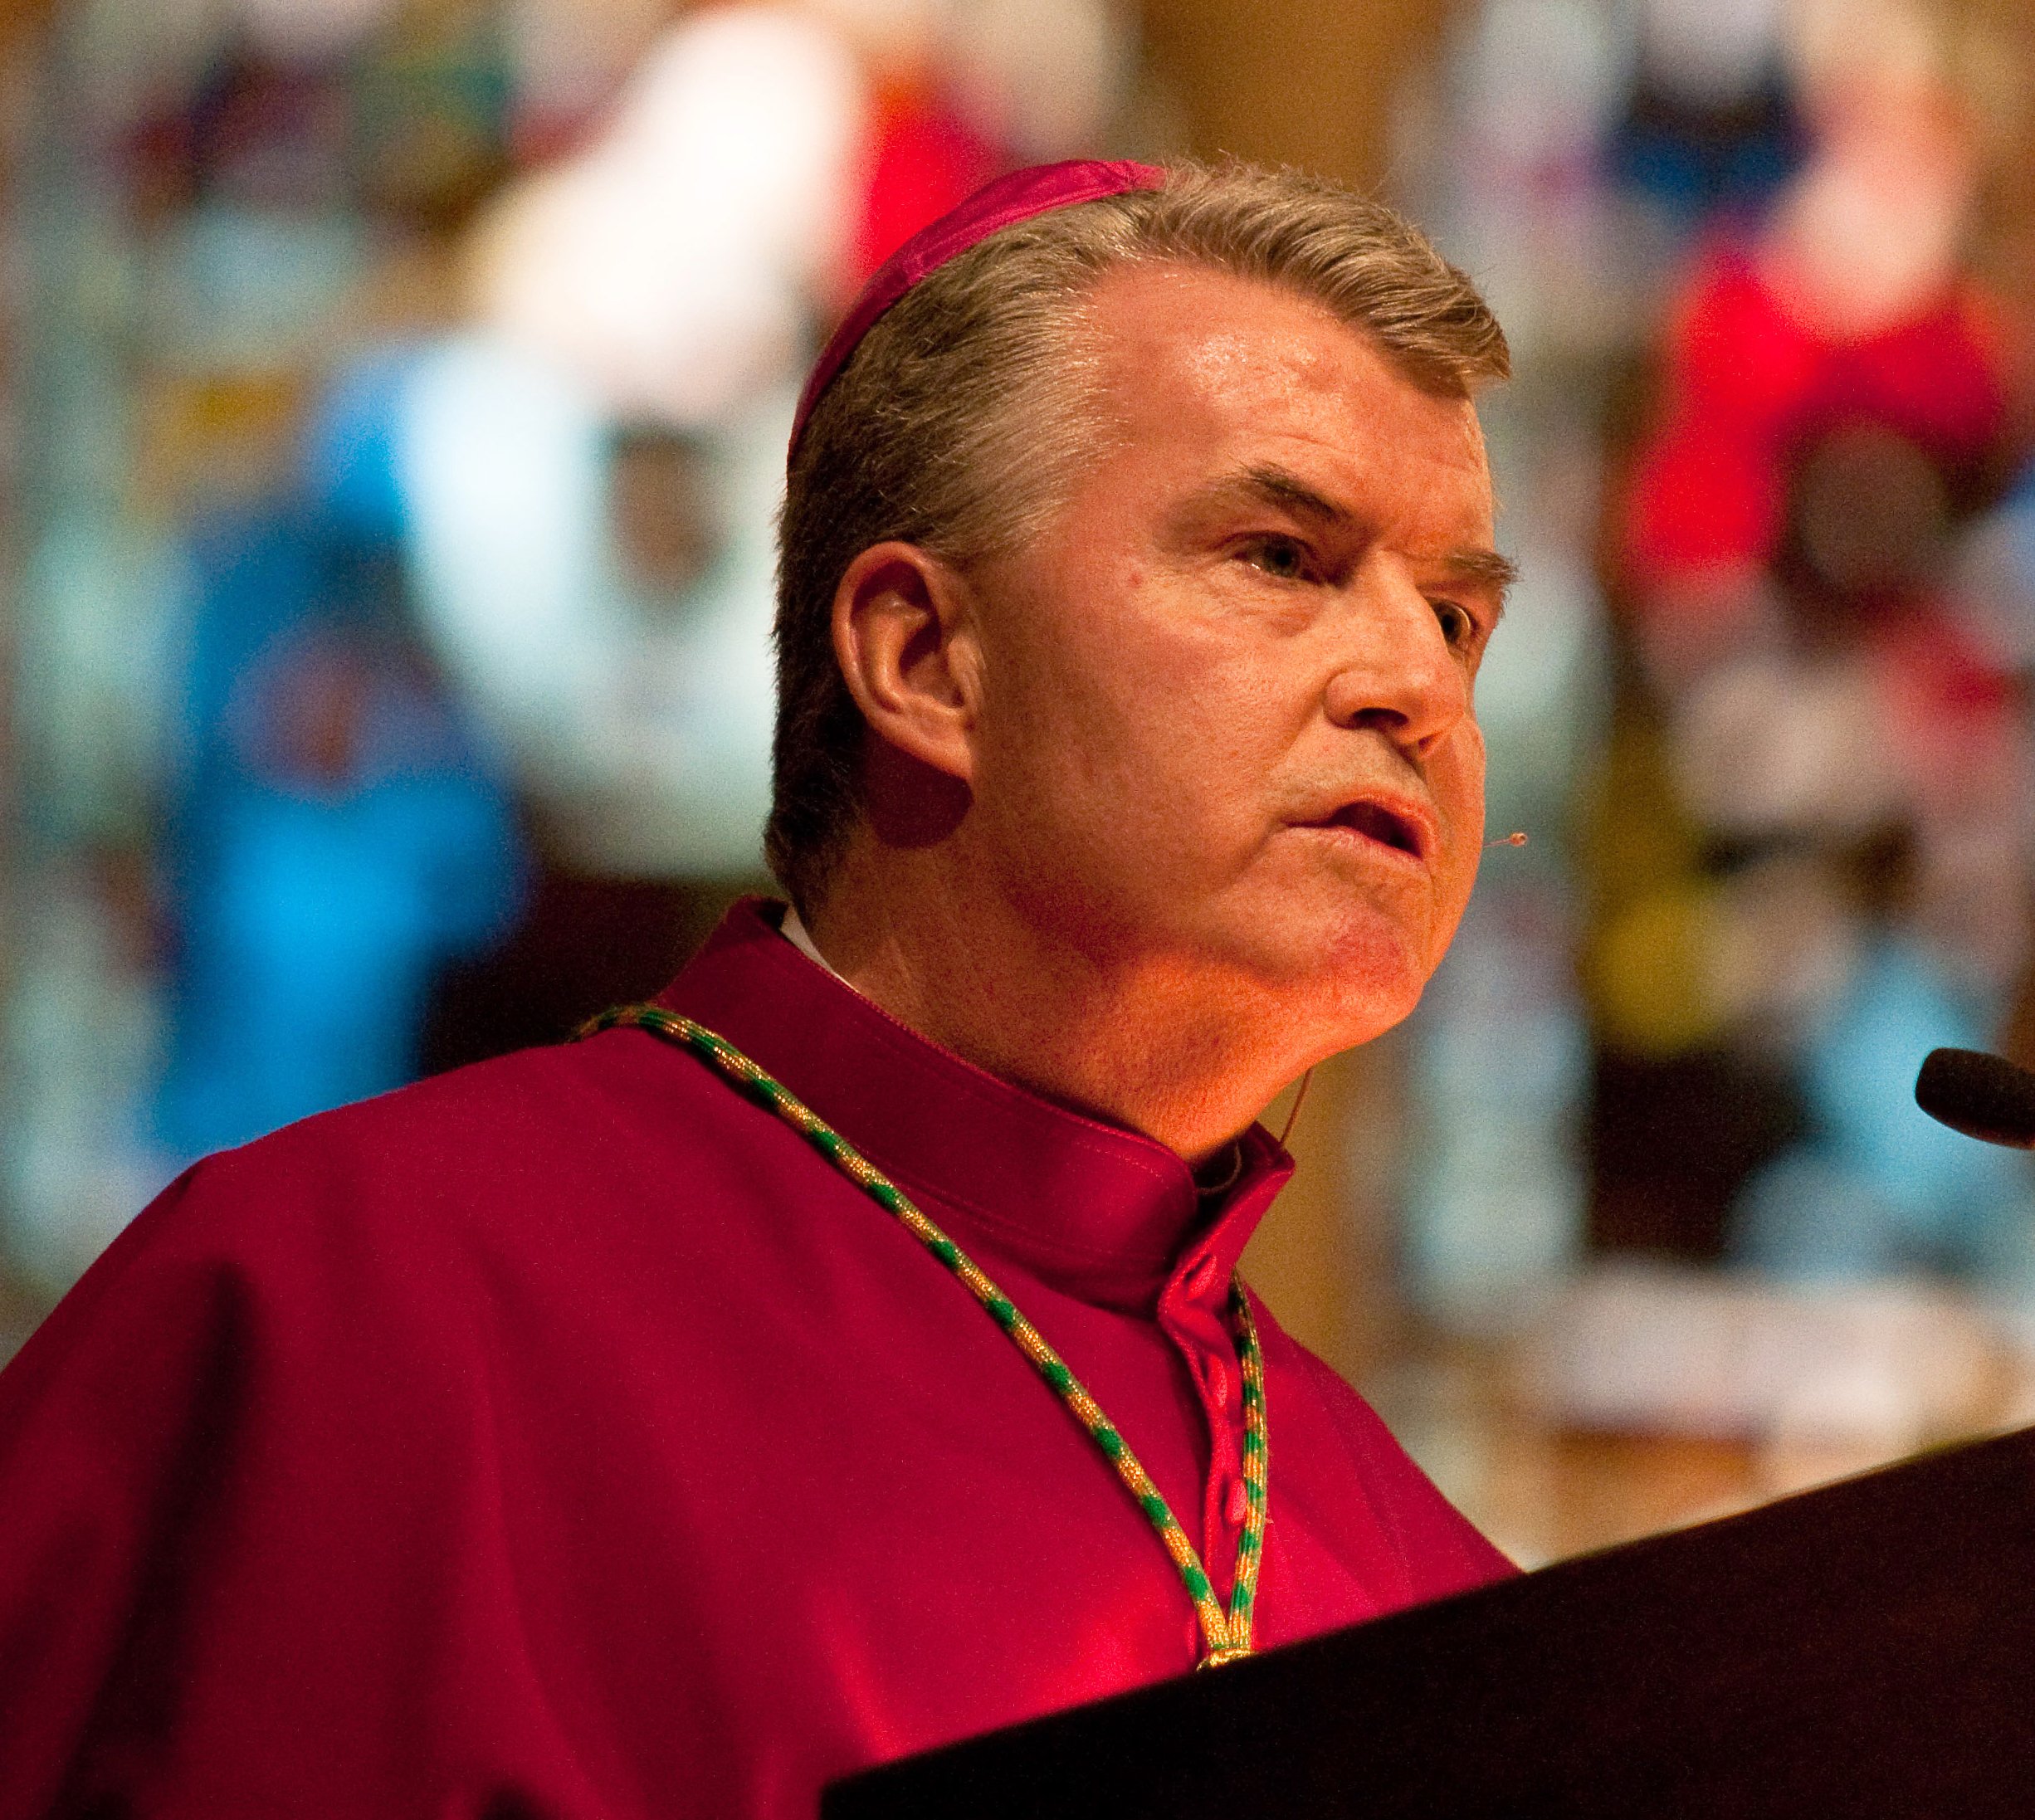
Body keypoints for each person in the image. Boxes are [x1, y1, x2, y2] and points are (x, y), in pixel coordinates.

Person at [0, 159, 1518, 1818]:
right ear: (925, 658)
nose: (1416, 688)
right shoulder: (343, 1314)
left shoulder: (1436, 1591)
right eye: (1284, 555)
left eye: (1453, 615)